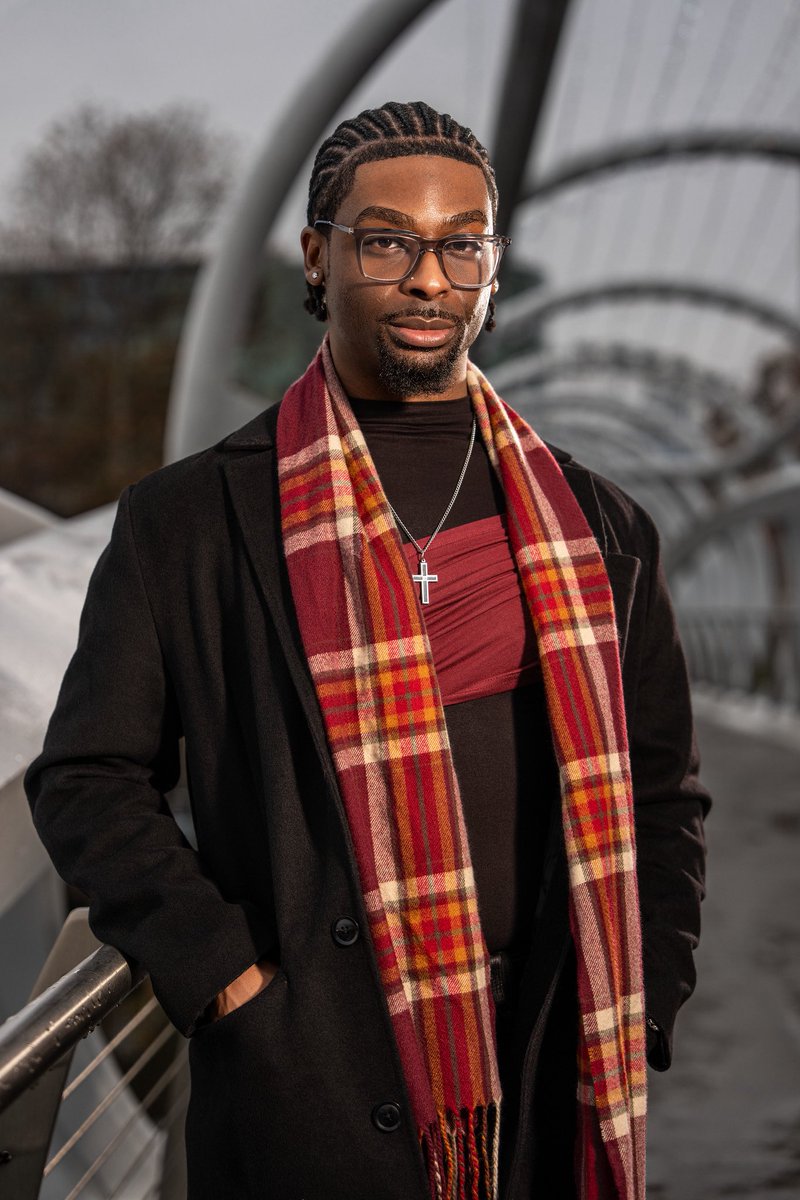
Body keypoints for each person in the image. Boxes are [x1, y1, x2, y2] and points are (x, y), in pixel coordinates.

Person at [26, 100, 709, 1200]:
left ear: (490, 266)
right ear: (317, 254)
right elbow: (88, 776)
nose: (428, 277)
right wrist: (225, 983)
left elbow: (662, 796)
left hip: (552, 1056)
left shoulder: (602, 527)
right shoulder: (192, 520)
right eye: (386, 239)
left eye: (462, 243)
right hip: (310, 1082)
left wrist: (647, 990)